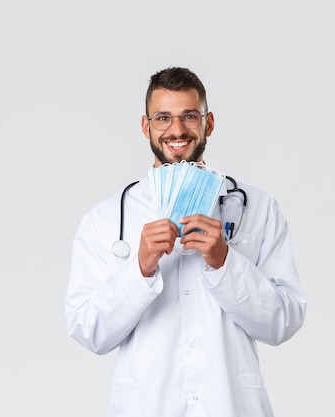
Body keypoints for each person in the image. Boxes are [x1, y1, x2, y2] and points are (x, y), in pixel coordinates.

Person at [65, 66, 307, 417]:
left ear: (208, 123)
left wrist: (226, 263)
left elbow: (282, 322)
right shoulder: (104, 220)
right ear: (146, 127)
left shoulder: (258, 208)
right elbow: (90, 332)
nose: (177, 130)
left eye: (189, 117)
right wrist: (140, 268)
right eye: (163, 118)